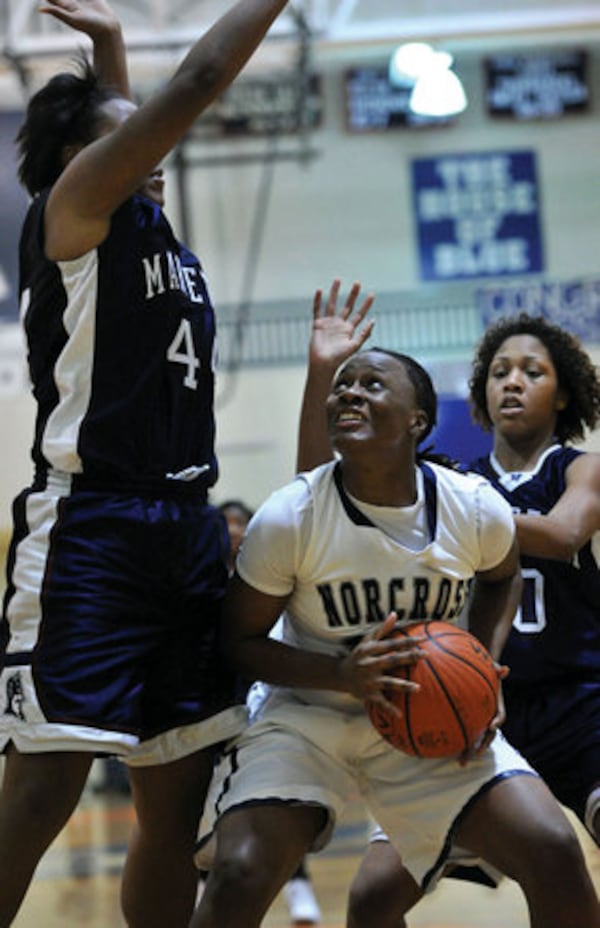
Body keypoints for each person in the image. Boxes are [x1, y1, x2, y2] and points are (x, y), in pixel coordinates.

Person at [0, 0, 289, 925]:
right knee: (41, 796)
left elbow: (132, 122)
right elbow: (198, 85)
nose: (153, 150)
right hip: (93, 528)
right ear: (83, 160)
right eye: (127, 138)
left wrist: (111, 50)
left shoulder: (148, 226)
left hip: (187, 531)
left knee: (172, 808)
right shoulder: (73, 215)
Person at [188, 285, 600, 928]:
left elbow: (504, 573)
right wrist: (341, 675)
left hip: (435, 711)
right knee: (244, 874)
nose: (351, 393)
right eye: (342, 387)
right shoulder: (290, 514)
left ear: (419, 422)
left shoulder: (471, 501)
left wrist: (483, 670)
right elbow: (238, 641)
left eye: (373, 385)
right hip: (308, 713)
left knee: (552, 851)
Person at [345, 312, 600, 928]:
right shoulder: (459, 481)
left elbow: (565, 533)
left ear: (561, 391)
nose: (511, 382)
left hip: (581, 704)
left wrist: (455, 507)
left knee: (563, 866)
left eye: (531, 372)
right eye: (499, 372)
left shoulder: (576, 470)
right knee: (373, 897)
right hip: (477, 706)